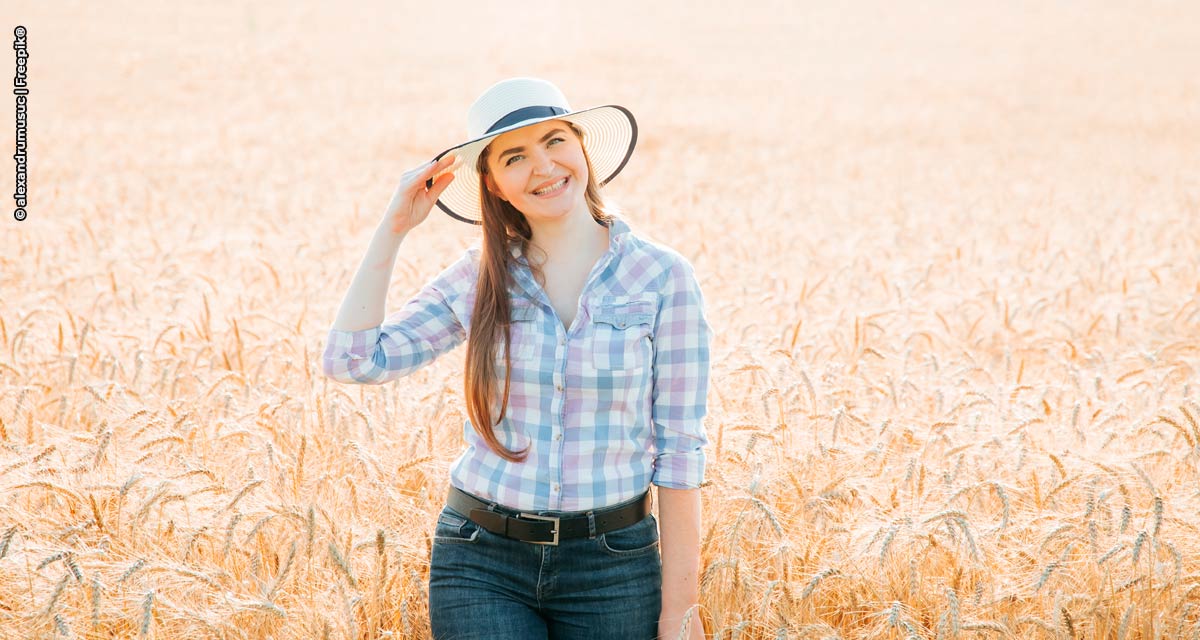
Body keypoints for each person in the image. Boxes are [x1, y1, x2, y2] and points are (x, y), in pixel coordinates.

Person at [322, 77, 711, 640]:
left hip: (614, 566)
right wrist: (394, 228)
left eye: (555, 141)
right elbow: (352, 360)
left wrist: (682, 613)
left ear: (582, 149)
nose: (544, 167)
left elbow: (680, 452)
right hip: (482, 560)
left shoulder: (661, 277)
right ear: (495, 185)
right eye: (515, 157)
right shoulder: (479, 277)